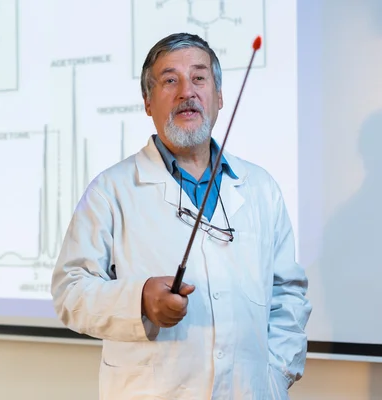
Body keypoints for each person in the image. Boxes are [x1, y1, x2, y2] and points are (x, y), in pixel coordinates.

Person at [50, 32, 312, 399]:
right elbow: (70, 292)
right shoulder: (110, 190)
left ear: (219, 97)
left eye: (199, 78)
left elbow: (288, 293)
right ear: (147, 101)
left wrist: (276, 374)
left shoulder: (261, 188)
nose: (186, 92)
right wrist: (139, 299)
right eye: (170, 80)